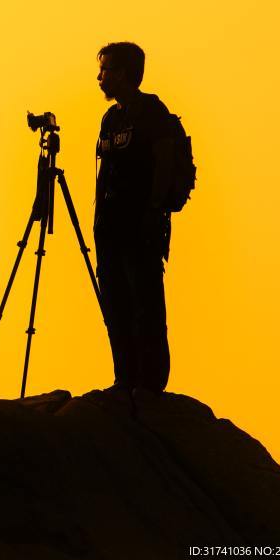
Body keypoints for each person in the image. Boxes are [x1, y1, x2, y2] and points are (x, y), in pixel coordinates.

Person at [93, 42, 177, 394]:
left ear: (124, 73)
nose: (99, 77)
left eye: (106, 70)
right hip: (110, 230)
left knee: (145, 306)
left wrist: (154, 212)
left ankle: (150, 384)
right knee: (115, 304)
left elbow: (168, 163)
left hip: (140, 228)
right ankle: (124, 378)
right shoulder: (111, 119)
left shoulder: (152, 113)